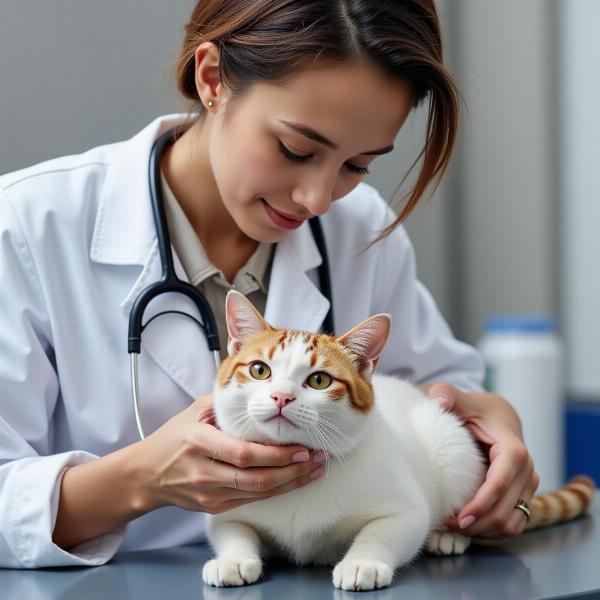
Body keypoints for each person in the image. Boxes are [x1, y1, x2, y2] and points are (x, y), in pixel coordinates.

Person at [0, 0, 537, 568]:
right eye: (295, 150)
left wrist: (487, 423)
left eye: (357, 166)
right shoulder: (28, 227)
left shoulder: (359, 229)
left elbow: (431, 392)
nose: (318, 198)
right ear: (212, 80)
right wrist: (142, 480)